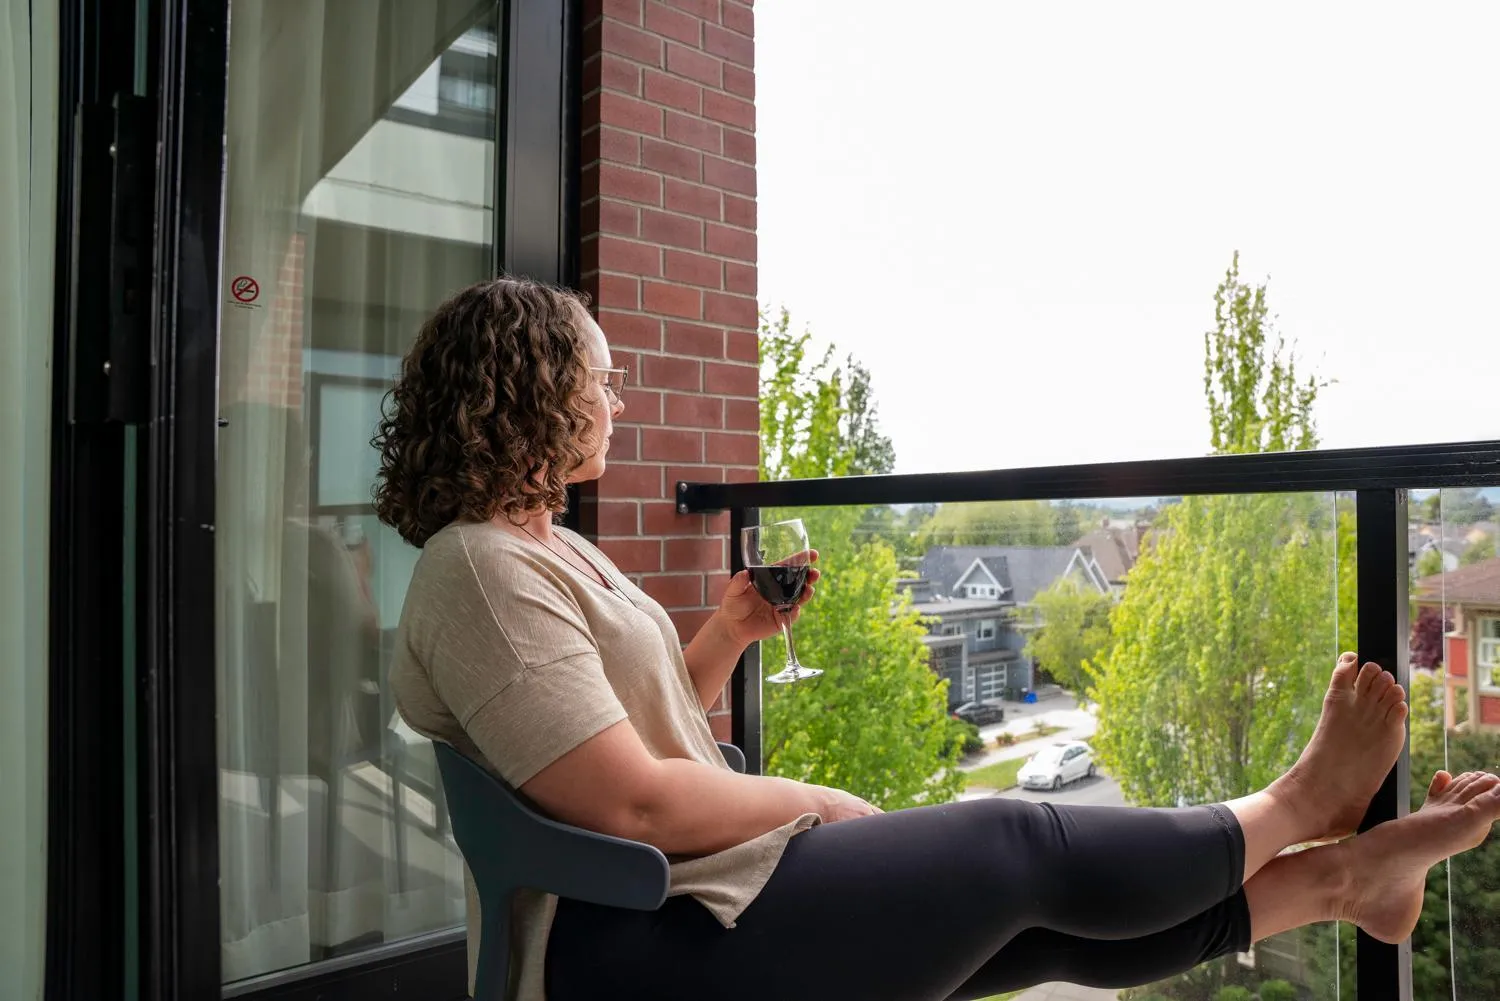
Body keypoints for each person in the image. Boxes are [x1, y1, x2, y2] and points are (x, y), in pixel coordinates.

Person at [376, 277, 1500, 1001]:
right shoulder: (478, 565)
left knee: (1043, 925)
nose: (618, 398)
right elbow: (635, 804)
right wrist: (812, 799)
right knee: (1014, 842)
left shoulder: (539, 544)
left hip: (688, 887)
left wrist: (725, 630)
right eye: (601, 378)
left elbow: (635, 732)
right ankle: (1302, 807)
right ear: (530, 393)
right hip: (628, 942)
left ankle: (1347, 879)